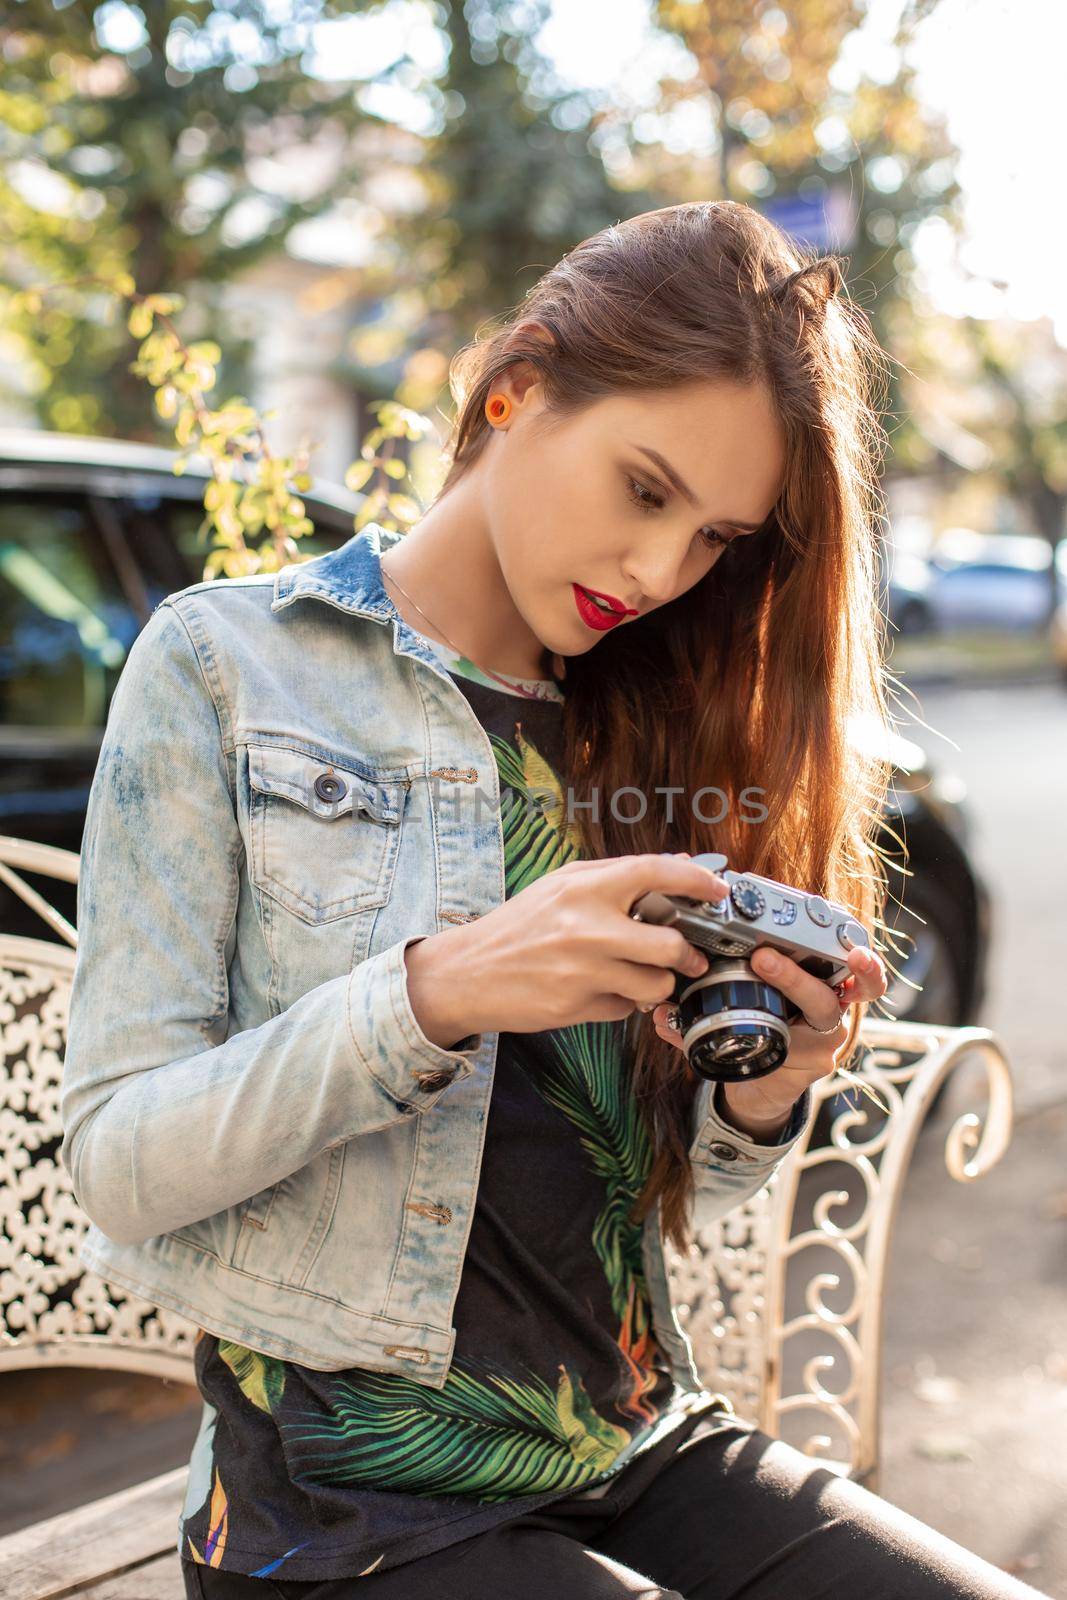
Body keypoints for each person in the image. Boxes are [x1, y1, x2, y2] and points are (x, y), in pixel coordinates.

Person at [59, 200, 1049, 1600]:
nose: (658, 574)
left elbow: (673, 1183)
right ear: (515, 389)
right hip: (336, 1504)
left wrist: (765, 1088)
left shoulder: (649, 728)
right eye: (644, 490)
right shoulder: (227, 666)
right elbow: (118, 1156)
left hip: (636, 1437)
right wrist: (438, 990)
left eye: (712, 539)